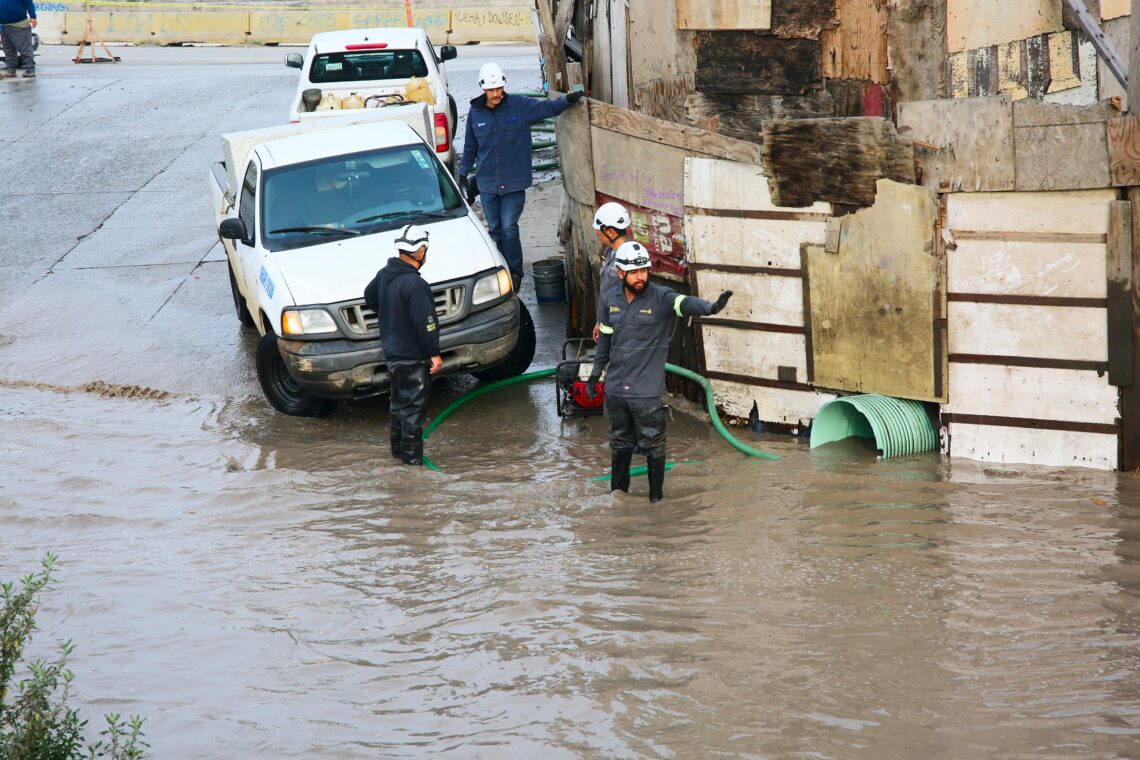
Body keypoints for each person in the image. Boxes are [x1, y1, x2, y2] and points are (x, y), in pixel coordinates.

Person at [586, 241, 732, 503]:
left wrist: (710, 308)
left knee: (654, 445)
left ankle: (656, 502)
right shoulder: (609, 299)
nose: (640, 277)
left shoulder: (661, 298)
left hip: (646, 393)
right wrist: (595, 376)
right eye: (634, 272)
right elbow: (605, 341)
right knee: (619, 444)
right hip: (616, 390)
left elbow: (684, 302)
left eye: (644, 271)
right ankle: (618, 497)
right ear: (620, 273)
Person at [456, 62, 585, 288]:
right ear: (483, 88)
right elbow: (469, 149)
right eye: (491, 90)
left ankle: (515, 273)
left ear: (504, 85)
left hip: (514, 183)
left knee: (509, 228)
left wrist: (568, 100)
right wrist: (462, 174)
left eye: (499, 89)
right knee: (495, 230)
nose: (496, 94)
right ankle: (501, 270)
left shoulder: (519, 106)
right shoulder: (475, 114)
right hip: (487, 184)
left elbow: (548, 108)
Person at [363, 224, 444, 466]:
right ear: (420, 252)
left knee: (398, 405)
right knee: (413, 411)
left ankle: (397, 454)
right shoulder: (415, 284)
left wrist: (390, 314)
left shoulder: (385, 275)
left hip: (392, 354)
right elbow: (426, 323)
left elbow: (369, 297)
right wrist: (434, 353)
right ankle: (411, 463)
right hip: (413, 357)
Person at [591, 201, 632, 342]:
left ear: (610, 232)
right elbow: (605, 292)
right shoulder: (609, 251)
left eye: (599, 230)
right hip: (608, 321)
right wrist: (599, 321)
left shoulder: (629, 259)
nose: (597, 233)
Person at [0, 0, 35, 79]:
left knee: (24, 49)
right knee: (8, 50)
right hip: (3, 25)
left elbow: (29, 2)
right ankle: (11, 71)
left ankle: (30, 69)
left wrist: (33, 17)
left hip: (19, 24)